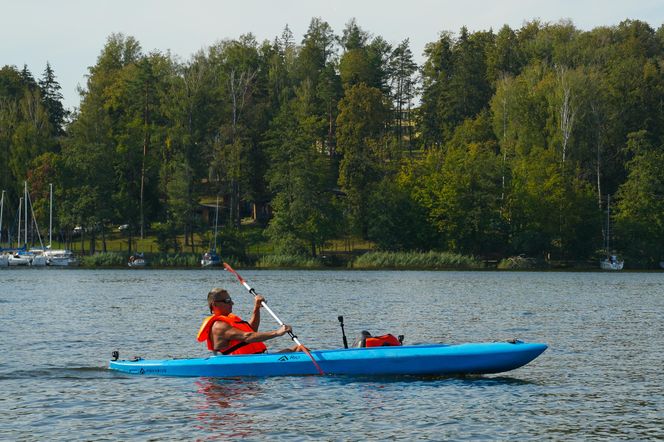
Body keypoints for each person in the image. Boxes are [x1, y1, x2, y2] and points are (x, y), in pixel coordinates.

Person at [197, 288, 300, 355]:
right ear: (215, 304)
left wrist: (257, 308)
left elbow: (252, 330)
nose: (232, 303)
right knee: (300, 350)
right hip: (239, 364)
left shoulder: (230, 320)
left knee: (299, 349)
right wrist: (277, 332)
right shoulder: (219, 326)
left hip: (256, 357)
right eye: (227, 301)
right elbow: (247, 336)